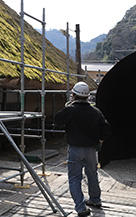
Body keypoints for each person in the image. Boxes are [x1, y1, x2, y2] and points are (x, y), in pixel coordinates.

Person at [55, 81, 111, 217]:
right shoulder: (96, 112)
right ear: (87, 96)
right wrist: (100, 140)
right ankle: (95, 200)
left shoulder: (70, 110)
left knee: (74, 178)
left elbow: (57, 120)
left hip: (75, 149)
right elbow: (106, 129)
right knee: (92, 175)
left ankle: (81, 209)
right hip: (91, 150)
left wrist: (67, 106)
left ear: (73, 95)